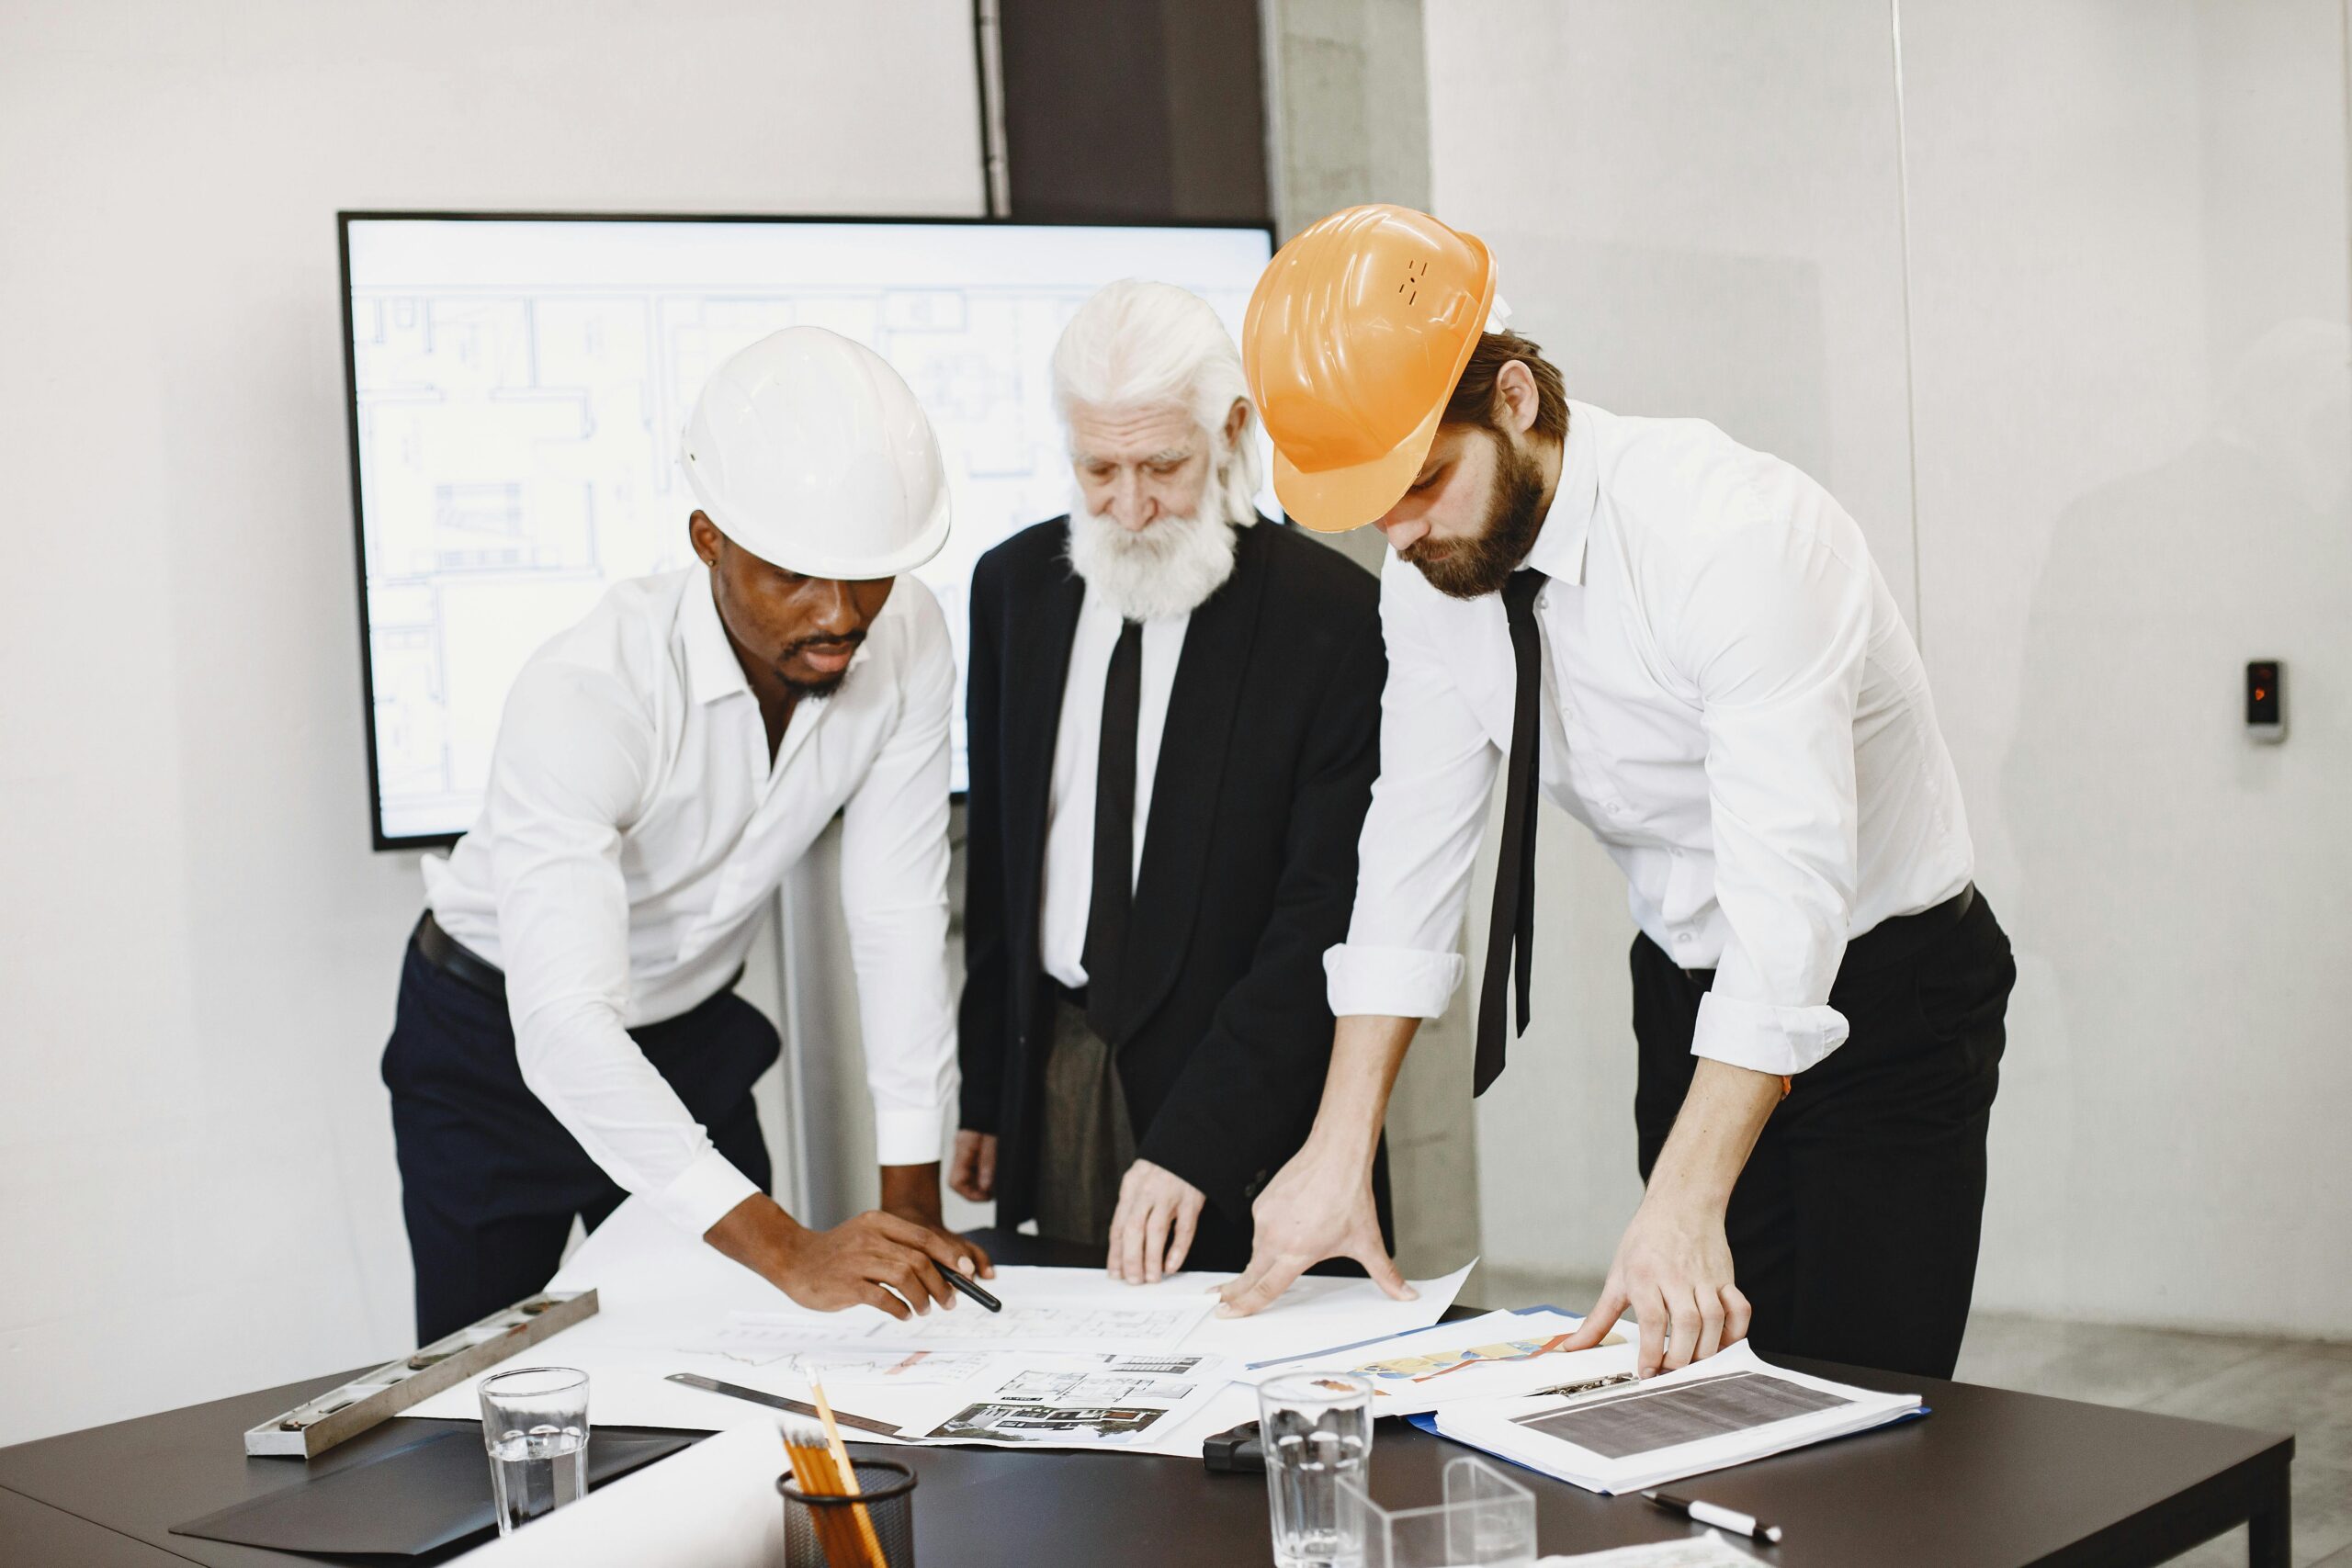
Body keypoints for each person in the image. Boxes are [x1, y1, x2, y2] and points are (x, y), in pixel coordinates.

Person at [1218, 206, 2016, 1382]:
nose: (1404, 530)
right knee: (1704, 1391)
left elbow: (1785, 906)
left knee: (1861, 1414)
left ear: (1516, 402)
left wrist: (1688, 1198)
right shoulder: (1428, 572)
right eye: (1375, 506)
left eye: (1425, 481)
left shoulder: (1733, 535)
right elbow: (1409, 854)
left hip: (1885, 990)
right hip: (1686, 994)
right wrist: (1338, 1149)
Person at [382, 327, 990, 1343]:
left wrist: (911, 1205)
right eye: (795, 574)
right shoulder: (588, 694)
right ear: (709, 539)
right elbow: (566, 1030)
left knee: (746, 1373)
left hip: (692, 1031)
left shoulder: (908, 633)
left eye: (869, 575)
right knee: (485, 1396)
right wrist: (791, 1250)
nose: (840, 614)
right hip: (491, 1045)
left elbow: (895, 918)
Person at [952, 280, 1388, 1280]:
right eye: (1097, 468)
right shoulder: (1013, 588)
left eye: (1163, 465)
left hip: (1250, 1094)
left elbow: (1324, 920)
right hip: (1055, 1066)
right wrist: (988, 1090)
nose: (1132, 506)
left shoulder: (1328, 619)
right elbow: (1003, 866)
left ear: (1228, 431)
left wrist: (1201, 1138)